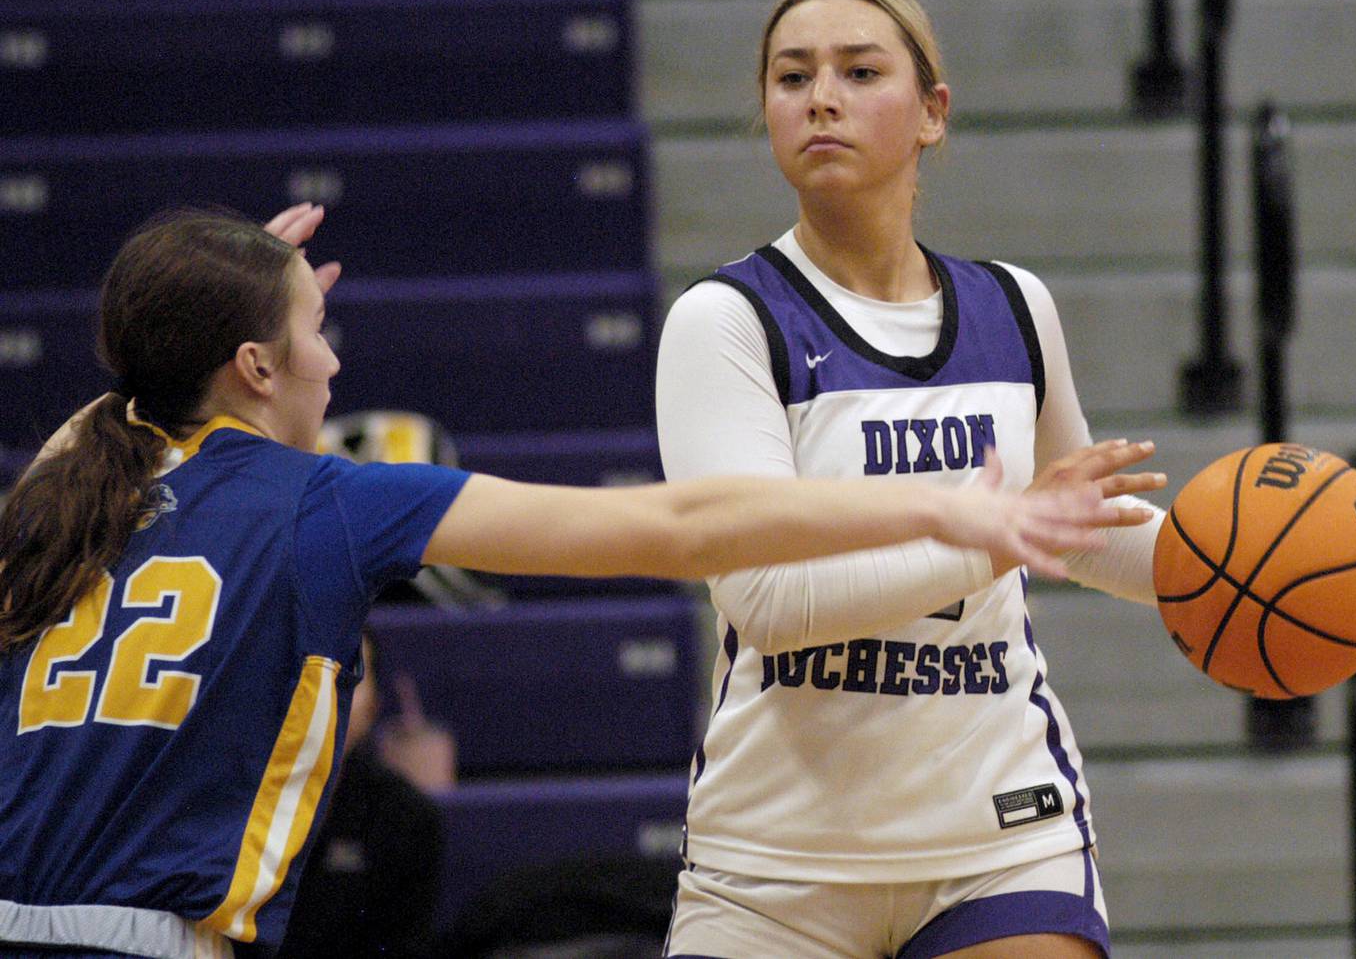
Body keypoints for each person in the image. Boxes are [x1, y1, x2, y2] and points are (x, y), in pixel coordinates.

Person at [0, 205, 1121, 959]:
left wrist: (223, 286)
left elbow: (129, 389)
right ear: (253, 368)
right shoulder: (329, 498)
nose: (334, 360)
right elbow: (683, 522)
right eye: (314, 329)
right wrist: (950, 507)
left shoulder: (60, 492)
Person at [655, 0, 1168, 959]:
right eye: (793, 77)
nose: (822, 100)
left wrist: (1230, 564)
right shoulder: (725, 321)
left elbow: (1084, 531)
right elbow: (765, 598)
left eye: (859, 72)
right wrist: (989, 540)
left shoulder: (1015, 307)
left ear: (932, 112)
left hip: (1000, 832)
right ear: (766, 114)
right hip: (778, 859)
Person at [276, 631, 442, 959]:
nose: (326, 693)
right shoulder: (229, 806)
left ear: (375, 706)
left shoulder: (406, 817)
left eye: (348, 677)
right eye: (310, 672)